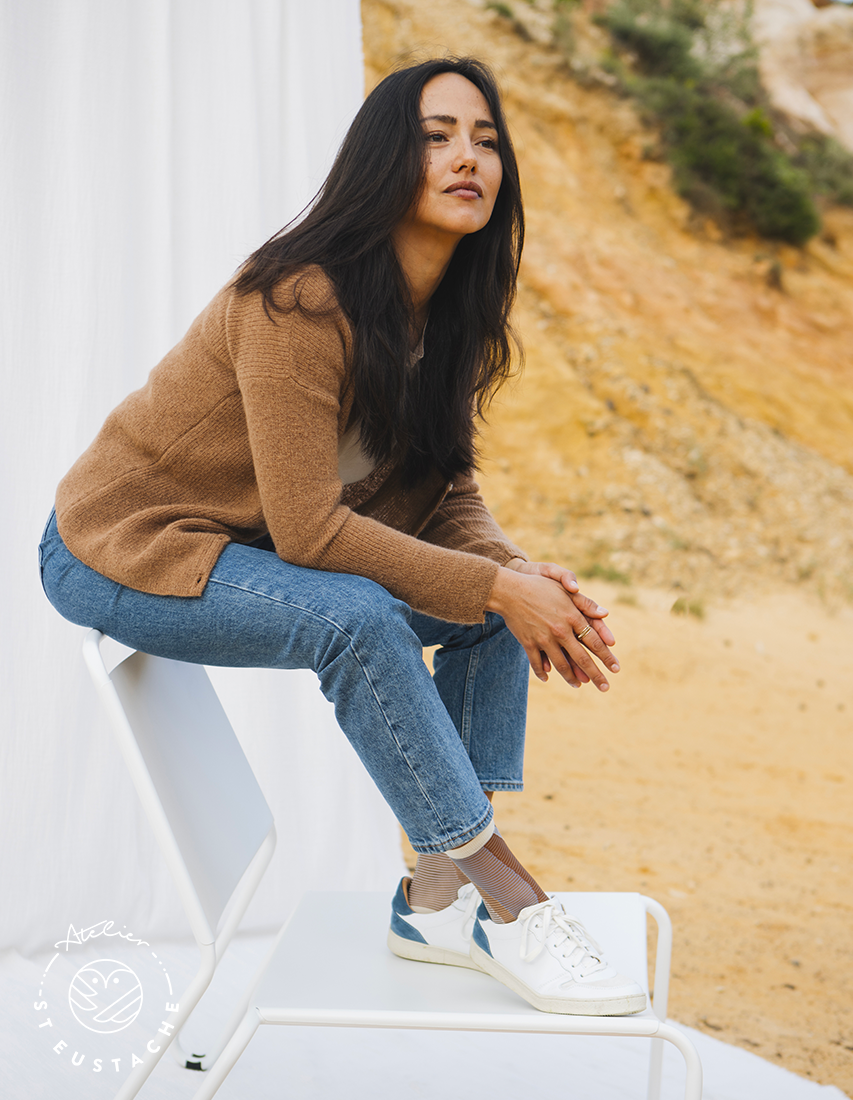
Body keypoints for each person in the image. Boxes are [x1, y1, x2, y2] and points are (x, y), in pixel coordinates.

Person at [39, 57, 645, 1017]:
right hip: (121, 544)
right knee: (363, 617)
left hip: (247, 549)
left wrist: (513, 574)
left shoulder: (448, 316)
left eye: (486, 141)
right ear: (381, 159)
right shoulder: (297, 300)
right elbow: (311, 532)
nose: (467, 157)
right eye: (437, 134)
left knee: (480, 601)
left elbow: (445, 494)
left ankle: (435, 896)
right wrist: (495, 586)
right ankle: (509, 903)